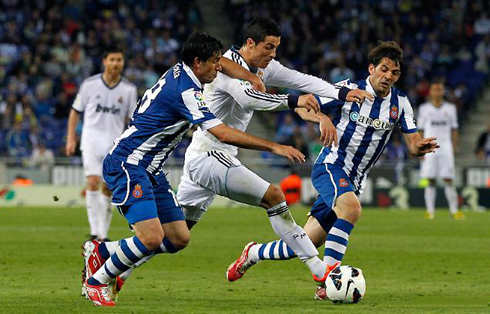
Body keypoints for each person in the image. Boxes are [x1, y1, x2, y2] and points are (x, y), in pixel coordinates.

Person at [81, 31, 308, 307]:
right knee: (151, 238)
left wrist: (249, 76)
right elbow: (222, 133)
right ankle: (96, 281)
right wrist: (275, 147)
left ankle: (101, 250)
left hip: (150, 169)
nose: (219, 67)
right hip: (129, 163)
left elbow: (226, 64)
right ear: (198, 63)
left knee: (178, 237)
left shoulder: (182, 71)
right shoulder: (187, 92)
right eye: (214, 62)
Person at [226, 41, 439, 300]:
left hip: (355, 180)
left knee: (305, 243)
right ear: (372, 68)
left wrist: (421, 147)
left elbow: (412, 144)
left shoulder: (401, 104)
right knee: (351, 209)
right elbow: (305, 108)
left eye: (394, 73)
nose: (388, 76)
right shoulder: (348, 90)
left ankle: (253, 253)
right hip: (331, 166)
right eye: (384, 69)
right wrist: (323, 118)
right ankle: (330, 282)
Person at [175, 17, 372, 285]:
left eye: (276, 48)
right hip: (209, 153)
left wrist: (341, 93)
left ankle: (112, 267)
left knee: (174, 235)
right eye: (268, 47)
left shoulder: (264, 68)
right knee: (274, 197)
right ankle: (322, 272)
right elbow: (248, 98)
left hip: (211, 155)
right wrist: (294, 101)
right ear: (250, 43)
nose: (272, 54)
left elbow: (302, 79)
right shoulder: (223, 68)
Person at [65, 46, 138, 241]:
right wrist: (71, 137)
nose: (115, 64)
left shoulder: (129, 90)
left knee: (108, 187)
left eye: (119, 60)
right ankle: (94, 232)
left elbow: (133, 120)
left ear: (123, 63)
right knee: (92, 182)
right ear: (104, 62)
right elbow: (75, 110)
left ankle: (103, 235)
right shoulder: (90, 85)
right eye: (112, 59)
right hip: (90, 140)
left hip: (114, 143)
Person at [418, 81, 463, 220]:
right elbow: (420, 129)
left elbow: (454, 129)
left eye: (440, 89)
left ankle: (454, 211)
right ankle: (430, 211)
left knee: (448, 178)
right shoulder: (424, 108)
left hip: (446, 147)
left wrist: (454, 146)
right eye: (435, 89)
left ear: (443, 91)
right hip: (429, 147)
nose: (437, 92)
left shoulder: (450, 108)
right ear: (430, 92)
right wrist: (420, 148)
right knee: (430, 179)